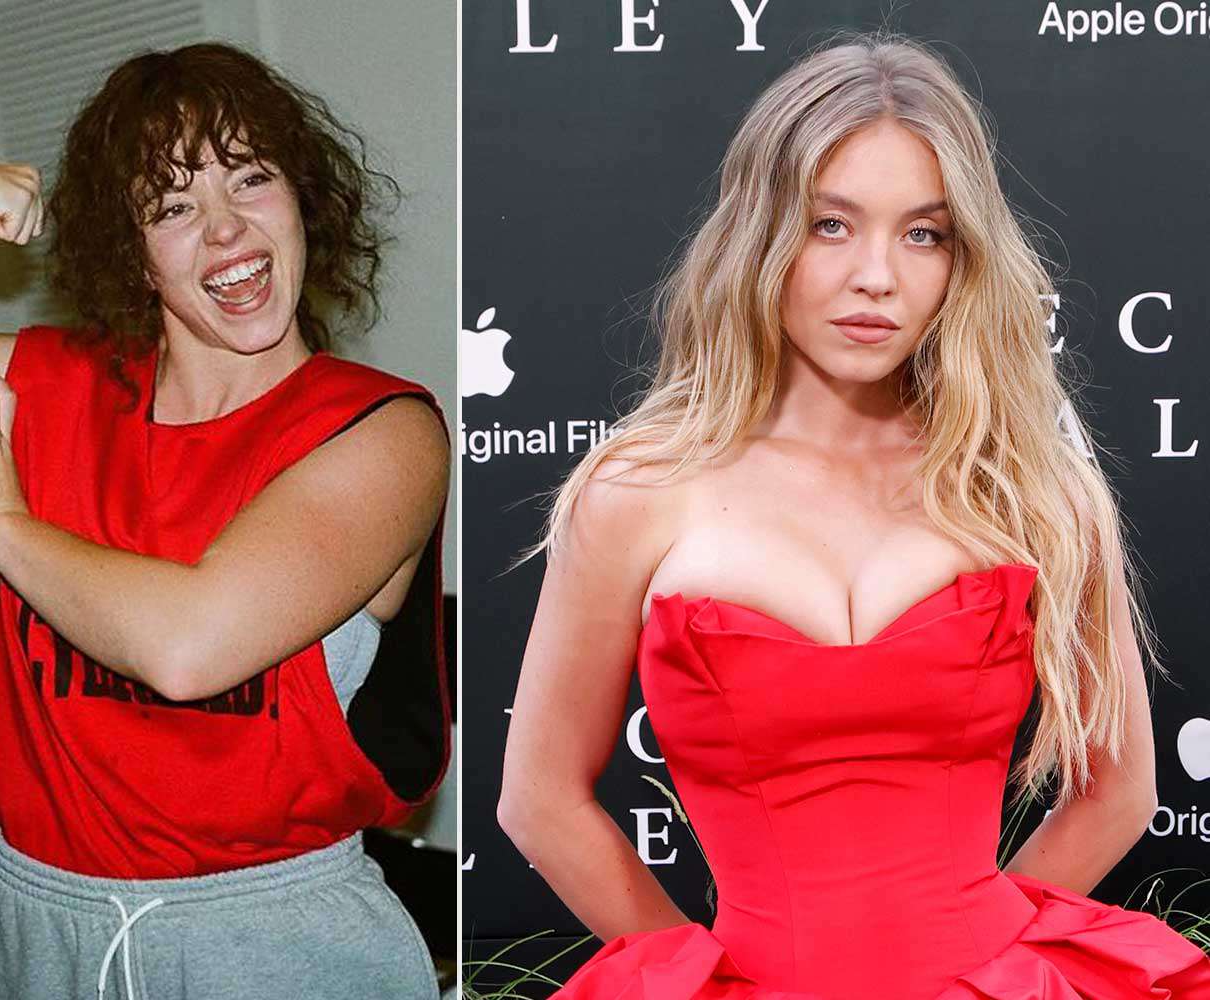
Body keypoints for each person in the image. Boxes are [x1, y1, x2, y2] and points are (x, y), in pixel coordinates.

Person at [0, 43, 450, 1000]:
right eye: (172, 207)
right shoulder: (48, 386)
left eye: (251, 179)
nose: (225, 230)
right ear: (132, 255)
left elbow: (190, 648)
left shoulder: (382, 429)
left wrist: (0, 517)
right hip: (36, 918)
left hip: (266, 934)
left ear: (304, 199)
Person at [495, 31, 1210, 999]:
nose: (877, 275)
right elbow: (539, 799)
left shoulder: (1034, 488)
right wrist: (704, 985)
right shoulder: (636, 491)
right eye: (831, 224)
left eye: (924, 232)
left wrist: (981, 976)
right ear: (760, 232)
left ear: (963, 258)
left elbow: (1119, 790)